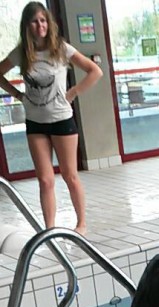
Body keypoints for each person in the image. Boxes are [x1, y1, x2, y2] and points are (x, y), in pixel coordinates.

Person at [0, 2, 103, 234]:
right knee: (45, 180)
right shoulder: (21, 53)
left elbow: (95, 71)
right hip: (35, 122)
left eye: (43, 20)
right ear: (27, 25)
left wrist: (73, 92)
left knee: (69, 175)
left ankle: (81, 223)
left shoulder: (61, 48)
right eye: (35, 21)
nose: (40, 26)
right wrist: (17, 94)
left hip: (61, 120)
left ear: (49, 23)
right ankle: (49, 229)